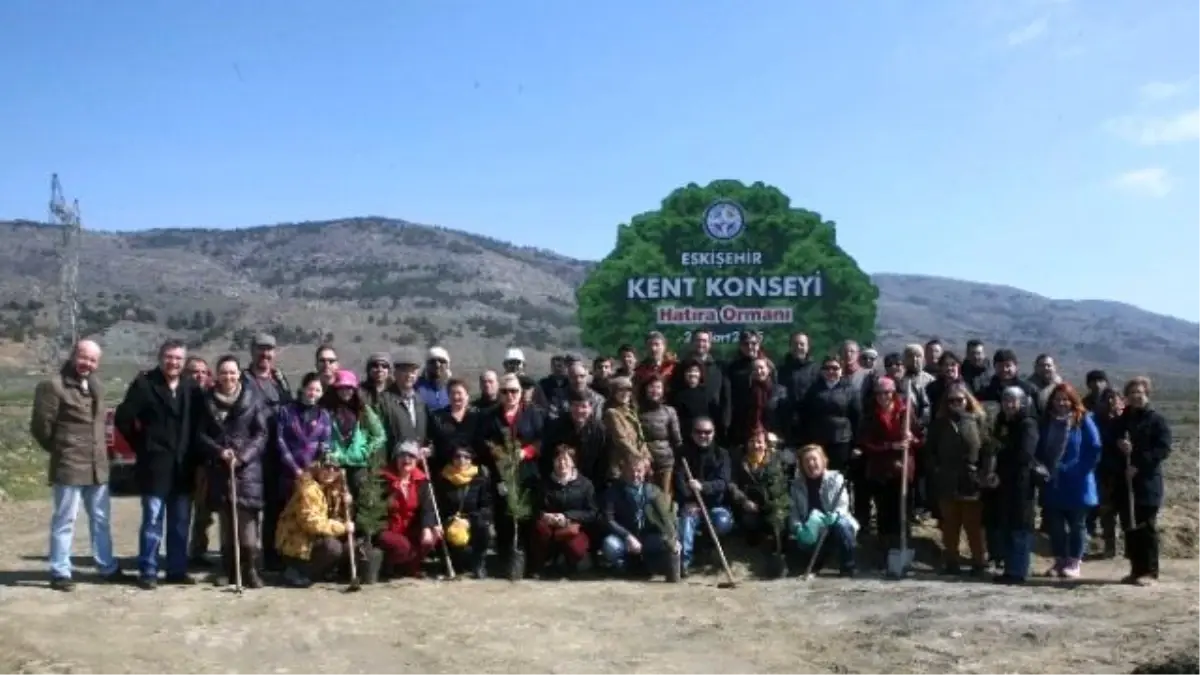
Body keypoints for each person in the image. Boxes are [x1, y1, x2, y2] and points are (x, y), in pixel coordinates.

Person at [30, 339, 126, 591]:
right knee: (65, 520)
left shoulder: (97, 386)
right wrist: (61, 450)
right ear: (73, 355)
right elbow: (41, 428)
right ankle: (60, 571)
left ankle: (106, 566)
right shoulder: (53, 386)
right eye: (84, 358)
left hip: (98, 466)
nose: (88, 364)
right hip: (69, 465)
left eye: (93, 360)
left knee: (101, 519)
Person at [114, 339, 203, 590]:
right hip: (155, 465)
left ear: (184, 362)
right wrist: (141, 445)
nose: (173, 362)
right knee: (152, 520)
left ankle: (176, 570)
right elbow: (123, 418)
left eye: (178, 358)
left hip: (183, 466)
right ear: (160, 357)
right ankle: (148, 570)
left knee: (180, 522)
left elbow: (199, 423)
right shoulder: (144, 384)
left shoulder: (191, 387)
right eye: (169, 357)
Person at [196, 355, 270, 589]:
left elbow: (261, 434)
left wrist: (243, 456)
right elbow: (200, 435)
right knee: (227, 526)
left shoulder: (253, 398)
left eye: (232, 372)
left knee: (247, 527)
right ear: (217, 375)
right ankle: (229, 571)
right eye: (224, 372)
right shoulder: (206, 401)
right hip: (220, 469)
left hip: (247, 471)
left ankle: (251, 570)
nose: (228, 377)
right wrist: (219, 452)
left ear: (239, 374)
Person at [924, 382, 991, 576]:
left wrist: (985, 473)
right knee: (950, 525)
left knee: (974, 525)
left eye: (959, 400)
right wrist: (936, 469)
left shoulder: (979, 420)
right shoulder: (939, 423)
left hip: (971, 479)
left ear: (967, 400)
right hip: (946, 478)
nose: (955, 403)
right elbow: (930, 451)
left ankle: (979, 562)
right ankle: (951, 561)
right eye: (951, 400)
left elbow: (989, 449)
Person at [1110, 376, 1172, 586]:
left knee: (1146, 526)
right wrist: (1119, 446)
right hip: (1125, 482)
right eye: (1132, 392)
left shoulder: (1156, 421)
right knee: (1130, 526)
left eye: (1140, 392)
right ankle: (1136, 570)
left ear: (1147, 394)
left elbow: (1162, 449)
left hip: (1146, 482)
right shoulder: (1122, 420)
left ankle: (1150, 571)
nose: (1136, 396)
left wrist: (1138, 464)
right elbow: (1111, 443)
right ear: (1126, 396)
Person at [1037, 383, 1102, 579]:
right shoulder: (1046, 422)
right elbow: (1039, 447)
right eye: (1057, 399)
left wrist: (1079, 469)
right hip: (1053, 481)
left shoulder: (1083, 421)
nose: (1062, 403)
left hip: (1078, 482)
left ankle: (1074, 561)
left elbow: (1094, 447)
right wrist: (1041, 468)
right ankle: (1060, 559)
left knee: (1077, 524)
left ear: (1073, 401)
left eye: (1066, 399)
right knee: (1054, 524)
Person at [858, 376, 919, 562]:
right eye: (879, 393)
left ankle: (903, 549)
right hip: (880, 470)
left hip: (902, 471)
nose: (883, 396)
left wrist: (912, 439)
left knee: (902, 513)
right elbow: (866, 443)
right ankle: (885, 554)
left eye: (887, 392)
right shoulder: (870, 415)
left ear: (893, 393)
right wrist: (890, 446)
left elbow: (920, 438)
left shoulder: (905, 412)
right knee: (884, 515)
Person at [275, 460, 354, 588]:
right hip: (297, 545)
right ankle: (296, 572)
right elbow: (312, 523)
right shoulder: (308, 489)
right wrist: (343, 527)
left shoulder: (333, 488)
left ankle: (316, 572)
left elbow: (337, 517)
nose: (331, 472)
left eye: (335, 469)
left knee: (346, 544)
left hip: (313, 539)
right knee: (333, 547)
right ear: (318, 467)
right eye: (327, 467)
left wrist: (347, 504)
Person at [600, 456, 681, 580]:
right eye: (630, 471)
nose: (634, 475)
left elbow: (667, 518)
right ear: (623, 472)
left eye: (638, 471)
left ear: (644, 472)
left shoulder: (653, 491)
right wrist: (627, 536)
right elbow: (608, 520)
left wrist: (673, 538)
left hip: (648, 536)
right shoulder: (613, 492)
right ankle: (625, 567)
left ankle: (654, 566)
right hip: (626, 537)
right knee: (610, 544)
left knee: (669, 544)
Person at [989, 386, 1039, 584]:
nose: (1009, 404)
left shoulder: (1028, 424)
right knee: (1007, 525)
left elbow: (1025, 454)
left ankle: (1018, 571)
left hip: (1021, 483)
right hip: (1004, 482)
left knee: (1020, 527)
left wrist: (1003, 454)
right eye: (1005, 400)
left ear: (1022, 402)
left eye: (1013, 400)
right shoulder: (1002, 422)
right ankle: (1010, 569)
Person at [674, 416, 734, 576]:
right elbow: (679, 481)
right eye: (698, 432)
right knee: (686, 520)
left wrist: (703, 486)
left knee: (722, 522)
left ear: (713, 433)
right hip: (691, 504)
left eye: (707, 432)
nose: (703, 435)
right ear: (692, 434)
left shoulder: (722, 454)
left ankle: (709, 553)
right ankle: (683, 564)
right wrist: (689, 500)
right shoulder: (683, 454)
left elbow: (723, 482)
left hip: (715, 506)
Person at [788, 444, 858, 577]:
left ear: (823, 461)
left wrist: (835, 515)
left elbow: (843, 504)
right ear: (801, 466)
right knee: (803, 543)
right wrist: (798, 528)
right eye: (806, 461)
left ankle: (848, 566)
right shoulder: (796, 486)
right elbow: (793, 513)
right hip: (812, 531)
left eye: (814, 459)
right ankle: (816, 563)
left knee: (842, 525)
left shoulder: (836, 478)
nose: (811, 464)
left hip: (833, 527)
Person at [529, 445, 598, 577]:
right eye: (558, 460)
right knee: (539, 529)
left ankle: (569, 562)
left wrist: (567, 516)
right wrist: (546, 516)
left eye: (566, 460)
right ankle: (541, 565)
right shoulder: (545, 484)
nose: (562, 463)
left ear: (573, 462)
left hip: (572, 527)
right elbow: (536, 508)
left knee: (576, 549)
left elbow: (592, 513)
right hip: (550, 527)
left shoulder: (585, 484)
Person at [376, 442, 438, 578]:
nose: (407, 460)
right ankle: (387, 565)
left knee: (434, 534)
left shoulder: (421, 481)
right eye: (402, 456)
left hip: (409, 527)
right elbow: (375, 510)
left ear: (416, 461)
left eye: (411, 456)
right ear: (396, 459)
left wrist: (427, 528)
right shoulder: (383, 480)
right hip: (388, 528)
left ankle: (410, 566)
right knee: (402, 546)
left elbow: (427, 508)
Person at [433, 443, 493, 579]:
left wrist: (469, 521)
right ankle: (449, 564)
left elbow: (487, 508)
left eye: (466, 457)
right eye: (457, 456)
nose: (462, 460)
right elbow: (437, 506)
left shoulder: (480, 478)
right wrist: (446, 521)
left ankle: (479, 564)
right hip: (449, 521)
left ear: (471, 459)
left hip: (472, 521)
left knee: (483, 527)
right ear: (452, 459)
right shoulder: (443, 478)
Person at [728, 429, 795, 547]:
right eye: (752, 441)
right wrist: (744, 500)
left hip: (773, 504)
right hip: (750, 505)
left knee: (779, 521)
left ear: (765, 445)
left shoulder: (777, 460)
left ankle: (779, 545)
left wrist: (775, 504)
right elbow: (732, 484)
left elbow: (784, 484)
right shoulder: (740, 461)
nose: (755, 445)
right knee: (749, 522)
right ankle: (755, 535)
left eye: (759, 442)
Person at [276, 372, 333, 507]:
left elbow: (326, 442)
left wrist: (315, 467)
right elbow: (280, 441)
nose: (313, 393)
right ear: (302, 389)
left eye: (317, 390)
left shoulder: (324, 415)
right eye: (310, 389)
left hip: (313, 477)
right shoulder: (286, 411)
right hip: (289, 475)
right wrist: (296, 469)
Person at [637, 374, 682, 497]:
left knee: (664, 496)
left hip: (665, 462)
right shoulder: (636, 412)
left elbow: (677, 439)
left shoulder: (670, 411)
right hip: (643, 462)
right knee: (645, 496)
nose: (655, 391)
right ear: (645, 389)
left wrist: (681, 455)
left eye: (658, 387)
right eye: (651, 387)